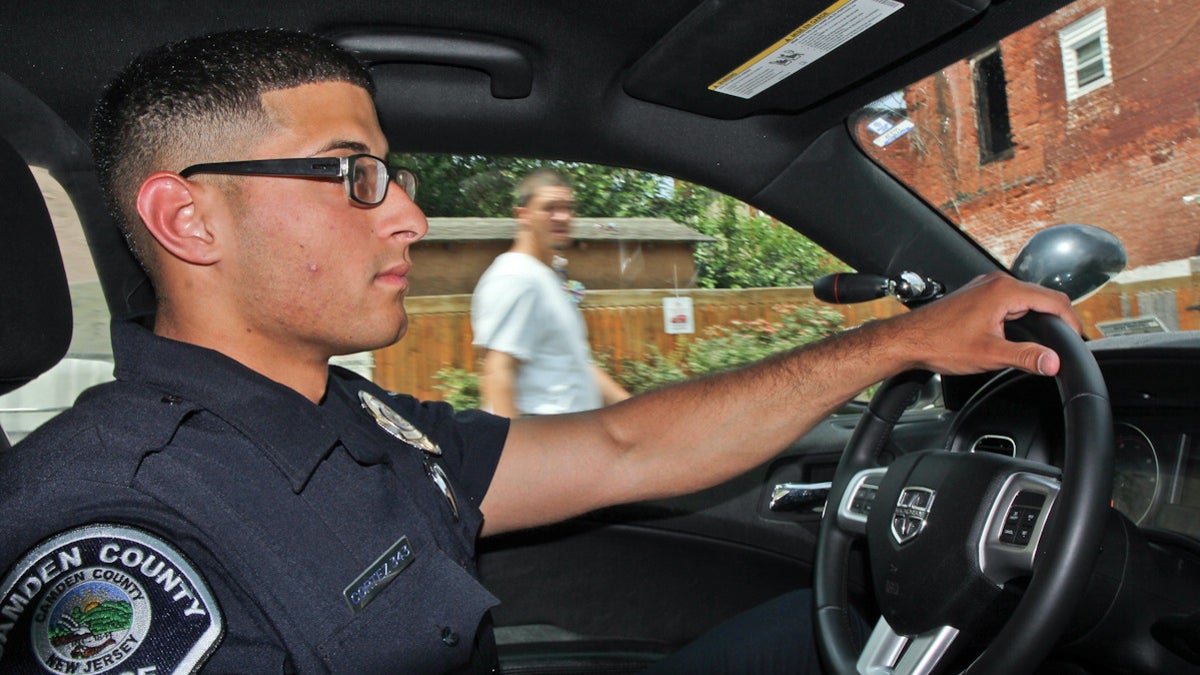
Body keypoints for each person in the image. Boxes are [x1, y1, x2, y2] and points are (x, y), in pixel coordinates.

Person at [0, 29, 1080, 674]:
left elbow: (618, 444)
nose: (409, 217)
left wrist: (900, 341)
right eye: (352, 173)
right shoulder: (114, 525)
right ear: (190, 223)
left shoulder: (356, 418)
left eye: (396, 173)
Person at [471, 168, 630, 417]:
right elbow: (498, 373)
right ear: (523, 215)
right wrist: (513, 452)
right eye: (549, 208)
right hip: (542, 440)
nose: (562, 216)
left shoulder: (548, 277)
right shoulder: (515, 276)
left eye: (568, 207)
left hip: (573, 438)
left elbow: (579, 366)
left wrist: (636, 410)